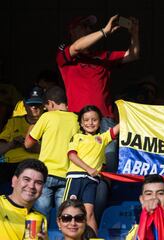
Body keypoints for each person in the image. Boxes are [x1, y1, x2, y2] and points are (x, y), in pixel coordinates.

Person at [56, 14, 140, 223]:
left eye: (88, 28)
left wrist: (135, 33)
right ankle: (77, 218)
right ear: (73, 32)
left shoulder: (101, 55)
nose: (86, 31)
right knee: (78, 166)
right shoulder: (65, 54)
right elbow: (76, 47)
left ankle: (94, 218)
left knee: (106, 169)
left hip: (106, 120)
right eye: (83, 27)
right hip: (79, 122)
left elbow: (133, 55)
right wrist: (104, 31)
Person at [24, 86, 79, 219]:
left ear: (51, 103)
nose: (46, 109)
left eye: (46, 106)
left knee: (41, 217)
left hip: (46, 173)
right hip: (67, 175)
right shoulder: (77, 119)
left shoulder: (47, 117)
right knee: (65, 218)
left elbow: (28, 144)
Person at [63, 105, 119, 233]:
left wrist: (129, 115)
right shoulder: (77, 137)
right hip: (75, 178)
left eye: (94, 119)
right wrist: (88, 168)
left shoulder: (102, 138)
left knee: (89, 213)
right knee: (68, 212)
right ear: (81, 123)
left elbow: (116, 129)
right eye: (86, 120)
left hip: (92, 181)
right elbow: (72, 155)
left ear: (100, 122)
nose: (90, 123)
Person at [0, 86, 44, 194]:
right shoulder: (14, 122)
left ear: (45, 105)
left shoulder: (49, 122)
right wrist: (13, 143)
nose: (34, 107)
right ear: (24, 104)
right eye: (31, 104)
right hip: (12, 166)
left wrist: (30, 145)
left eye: (38, 104)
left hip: (36, 165)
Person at [0, 159, 48, 239]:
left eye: (38, 182)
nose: (31, 186)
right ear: (14, 181)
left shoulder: (41, 218)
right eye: (26, 179)